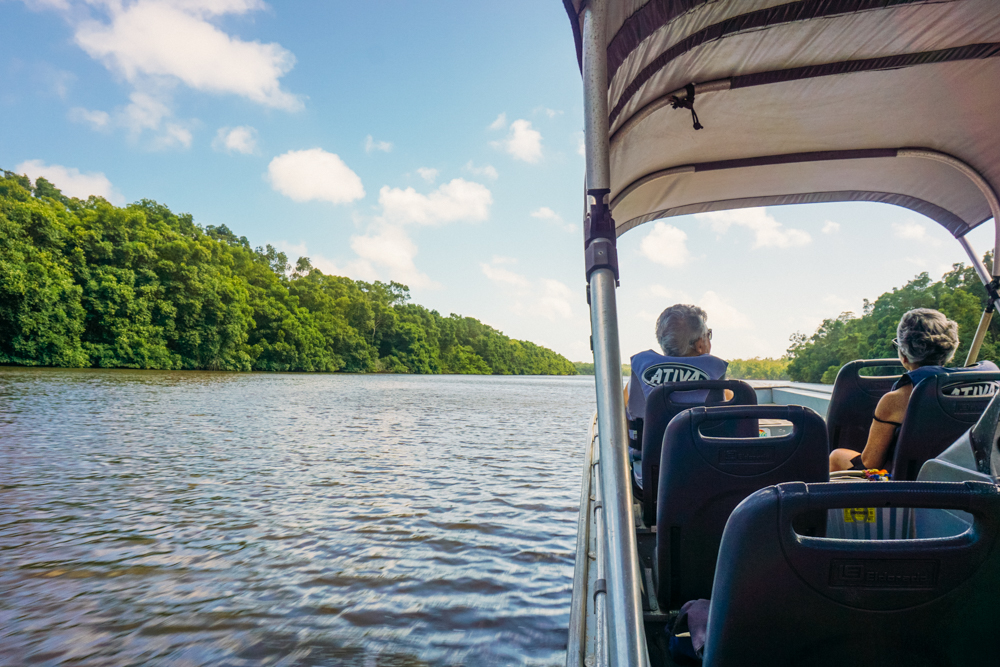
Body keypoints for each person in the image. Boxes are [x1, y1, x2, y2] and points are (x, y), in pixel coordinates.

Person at [830, 308, 999, 472]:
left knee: (837, 455)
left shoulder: (897, 398)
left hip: (912, 486)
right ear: (949, 351)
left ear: (904, 354)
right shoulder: (989, 383)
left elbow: (871, 463)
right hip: (966, 477)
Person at [625, 304, 730, 491]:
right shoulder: (720, 383)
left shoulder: (638, 378)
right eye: (708, 334)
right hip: (708, 479)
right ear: (700, 344)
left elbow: (625, 420)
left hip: (650, 482)